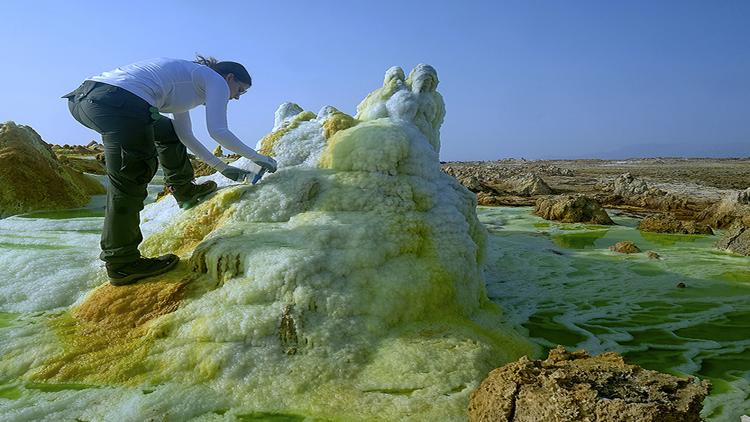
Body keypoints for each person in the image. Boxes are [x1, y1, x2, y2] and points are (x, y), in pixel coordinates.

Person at [63, 55, 277, 286]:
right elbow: (218, 131)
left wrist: (222, 168)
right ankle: (122, 262)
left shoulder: (189, 80)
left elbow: (183, 135)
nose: (235, 97)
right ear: (229, 77)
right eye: (239, 90)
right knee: (131, 178)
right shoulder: (213, 79)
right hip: (118, 103)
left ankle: (185, 191)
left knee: (168, 132)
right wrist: (259, 158)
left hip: (85, 100)